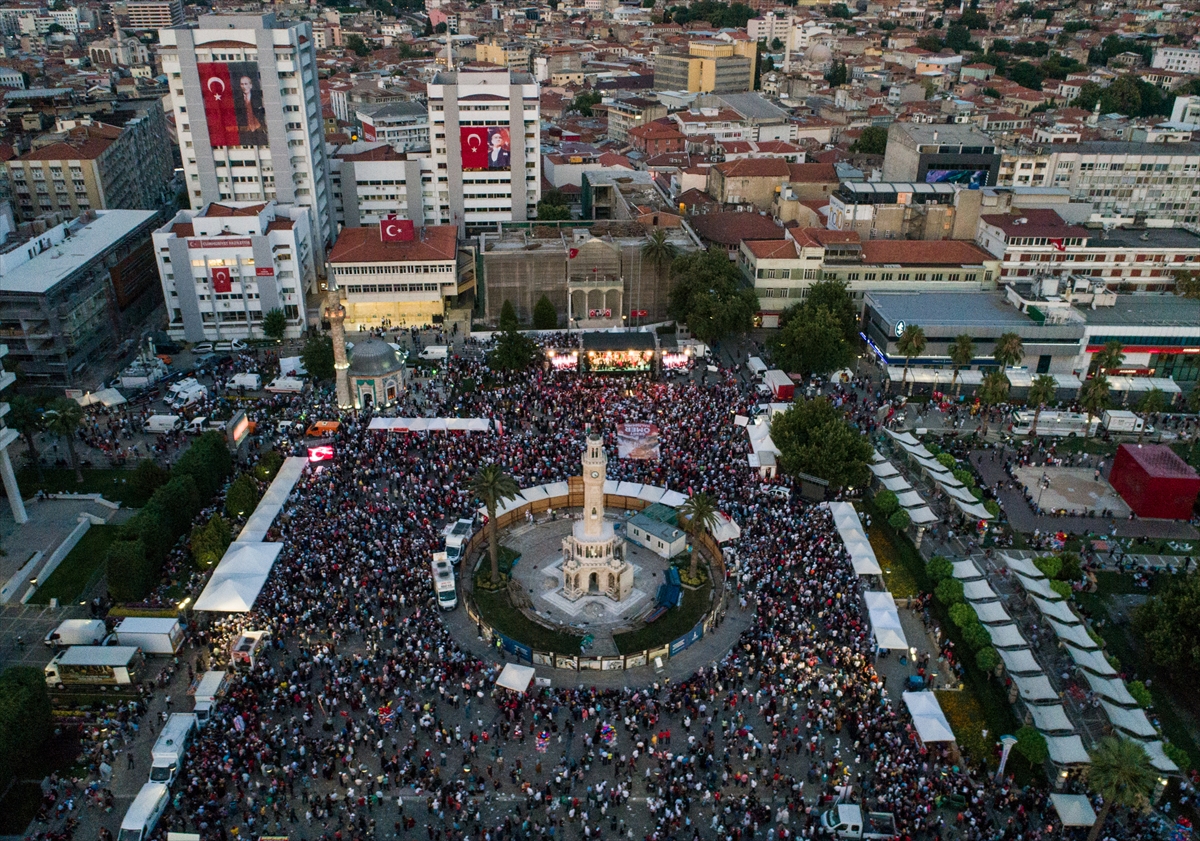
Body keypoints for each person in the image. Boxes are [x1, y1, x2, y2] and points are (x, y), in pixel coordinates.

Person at [234, 73, 268, 145]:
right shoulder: (237, 101)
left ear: (251, 85)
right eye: (242, 84)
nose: (244, 86)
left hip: (259, 130)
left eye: (246, 84)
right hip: (245, 132)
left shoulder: (259, 99)